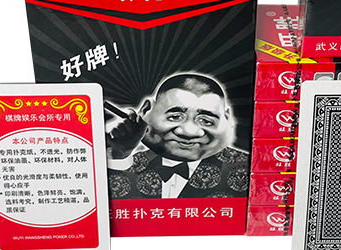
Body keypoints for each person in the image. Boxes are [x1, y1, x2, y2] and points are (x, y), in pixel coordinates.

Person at [105, 73, 250, 199]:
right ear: (146, 110)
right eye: (175, 117)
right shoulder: (127, 162)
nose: (189, 132)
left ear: (227, 119)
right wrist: (118, 155)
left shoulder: (246, 169)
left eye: (206, 121)